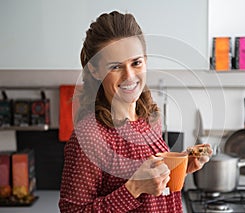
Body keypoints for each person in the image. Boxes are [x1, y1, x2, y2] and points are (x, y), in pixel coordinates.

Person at [59, 11, 212, 213]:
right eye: (115, 67)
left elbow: (152, 193)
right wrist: (134, 188)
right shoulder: (89, 137)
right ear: (95, 70)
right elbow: (72, 211)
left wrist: (179, 167)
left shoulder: (149, 119)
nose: (129, 76)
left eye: (136, 62)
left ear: (145, 61)